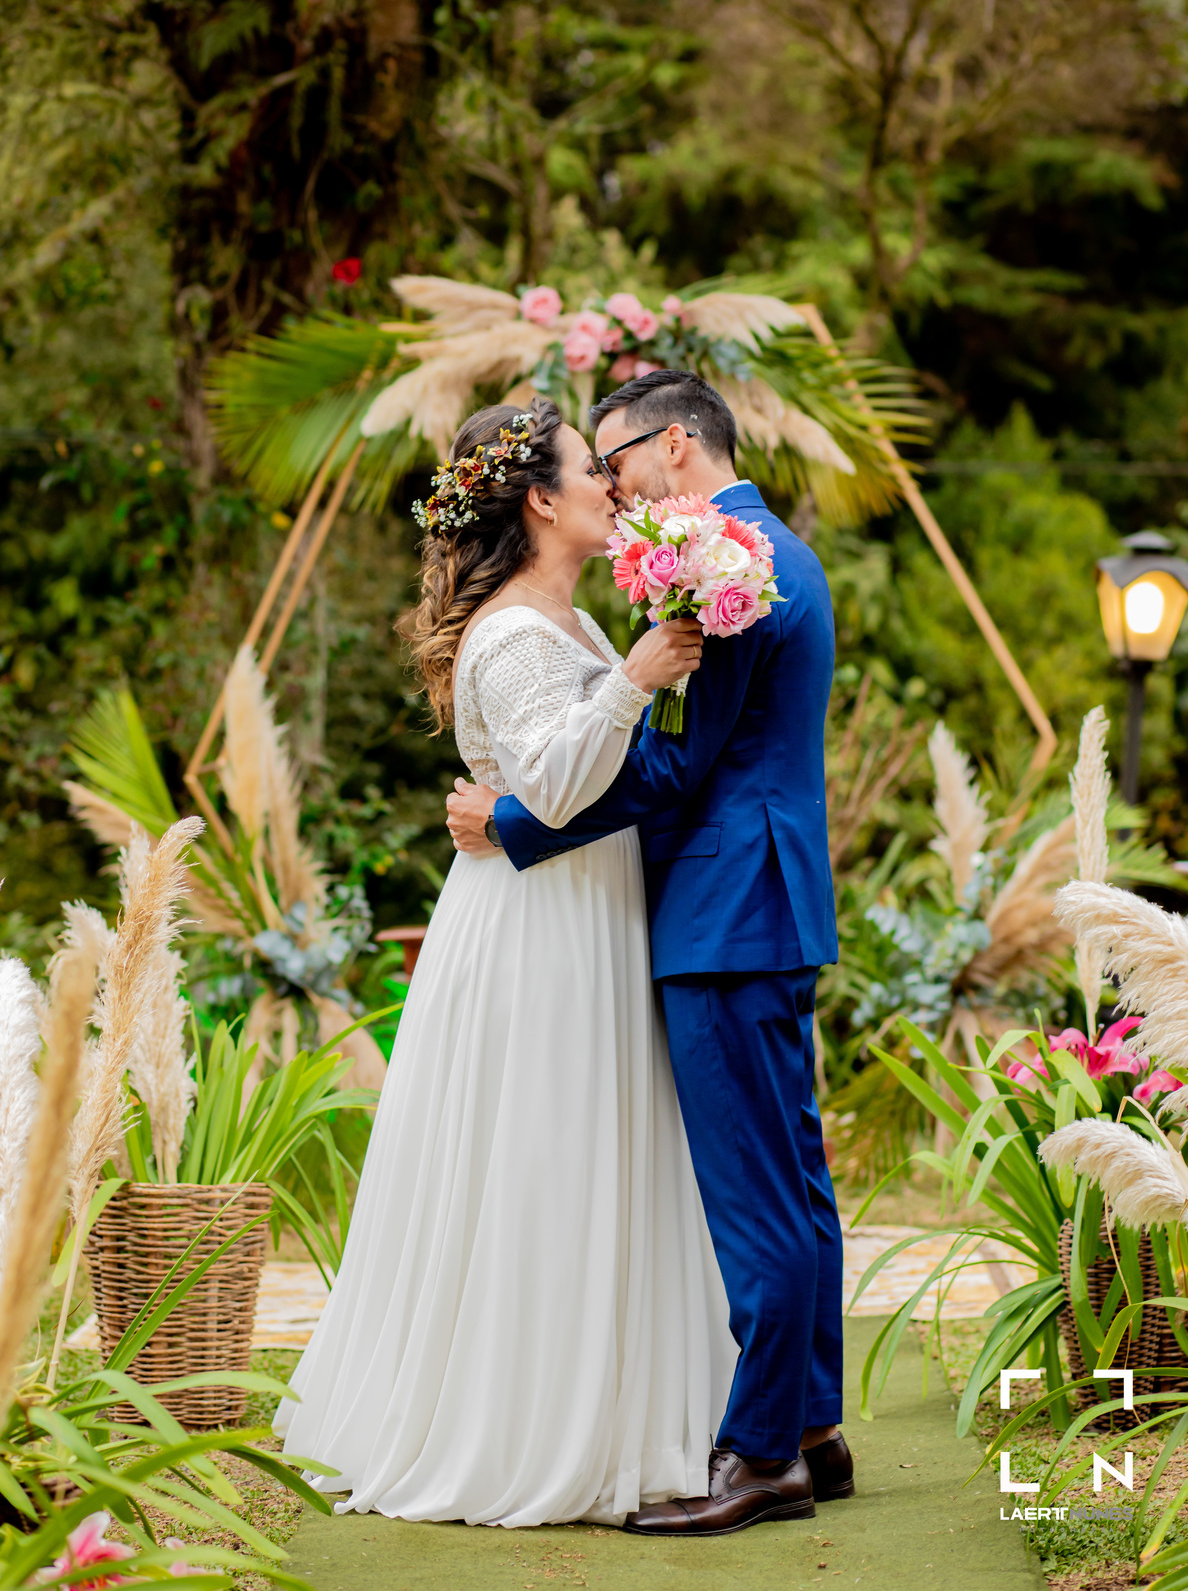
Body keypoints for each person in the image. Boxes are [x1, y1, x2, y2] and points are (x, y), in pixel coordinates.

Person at [274, 395, 741, 1528]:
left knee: (599, 1152)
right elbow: (556, 785)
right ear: (539, 501)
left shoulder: (573, 622)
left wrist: (645, 672)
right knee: (543, 1155)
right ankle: (524, 1426)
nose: (611, 487)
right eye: (590, 470)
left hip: (592, 908)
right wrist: (637, 680)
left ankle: (621, 1410)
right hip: (540, 931)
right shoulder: (516, 634)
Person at [447, 367, 853, 1536]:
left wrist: (511, 824)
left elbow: (675, 765)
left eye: (616, 459)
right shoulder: (771, 551)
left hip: (726, 911)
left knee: (757, 1200)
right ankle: (812, 1431)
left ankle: (763, 1455)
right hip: (758, 902)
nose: (615, 488)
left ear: (675, 444)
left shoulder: (733, 569)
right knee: (795, 1182)